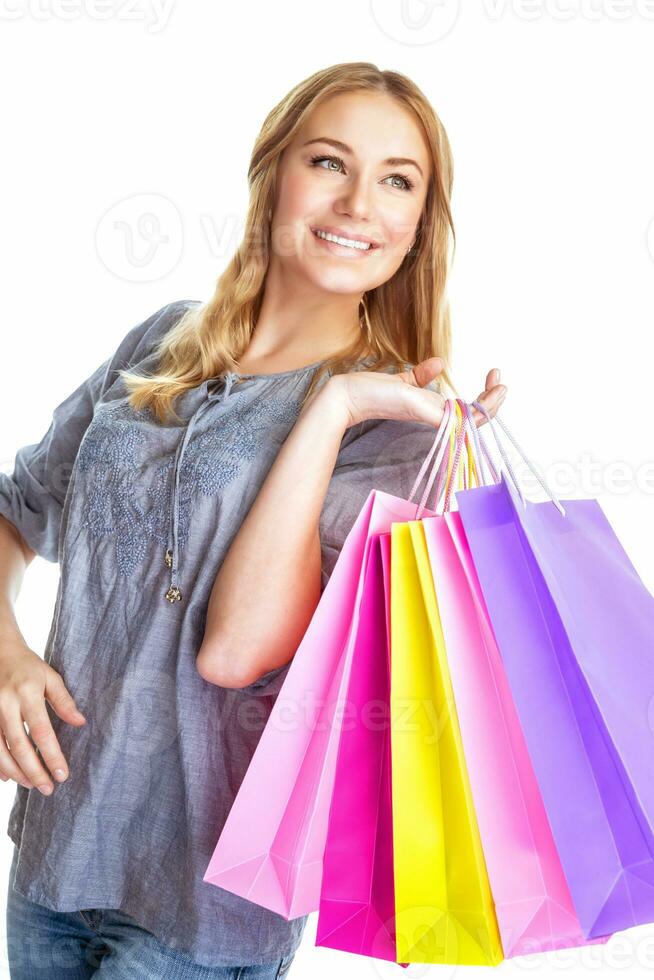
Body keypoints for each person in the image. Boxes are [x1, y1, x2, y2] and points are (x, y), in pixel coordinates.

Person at [0, 62, 506, 978]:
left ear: (418, 226)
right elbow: (13, 513)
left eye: (398, 180)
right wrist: (6, 654)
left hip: (200, 909)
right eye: (328, 162)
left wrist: (333, 406)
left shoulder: (394, 425)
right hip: (53, 854)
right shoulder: (162, 340)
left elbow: (238, 652)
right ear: (273, 173)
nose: (358, 202)